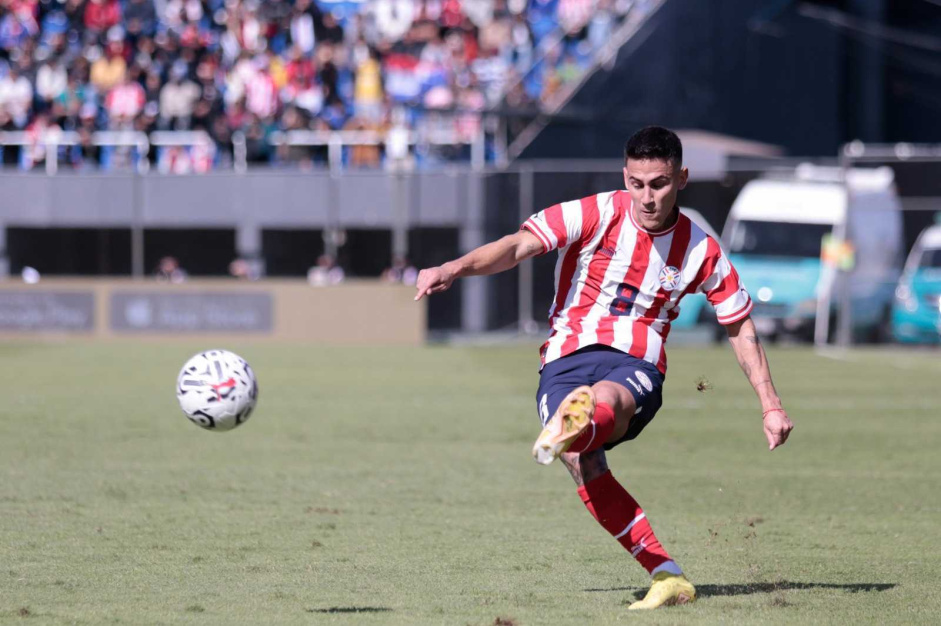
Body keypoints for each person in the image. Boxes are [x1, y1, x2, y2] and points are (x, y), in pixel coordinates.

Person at [414, 126, 794, 610]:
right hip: (564, 356)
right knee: (580, 459)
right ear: (625, 177)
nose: (647, 196)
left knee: (603, 404)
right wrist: (452, 268)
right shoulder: (593, 212)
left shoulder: (702, 250)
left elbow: (739, 325)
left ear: (682, 178)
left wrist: (770, 405)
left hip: (635, 360)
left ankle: (582, 415)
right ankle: (667, 575)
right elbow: (516, 247)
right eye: (637, 183)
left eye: (658, 183)